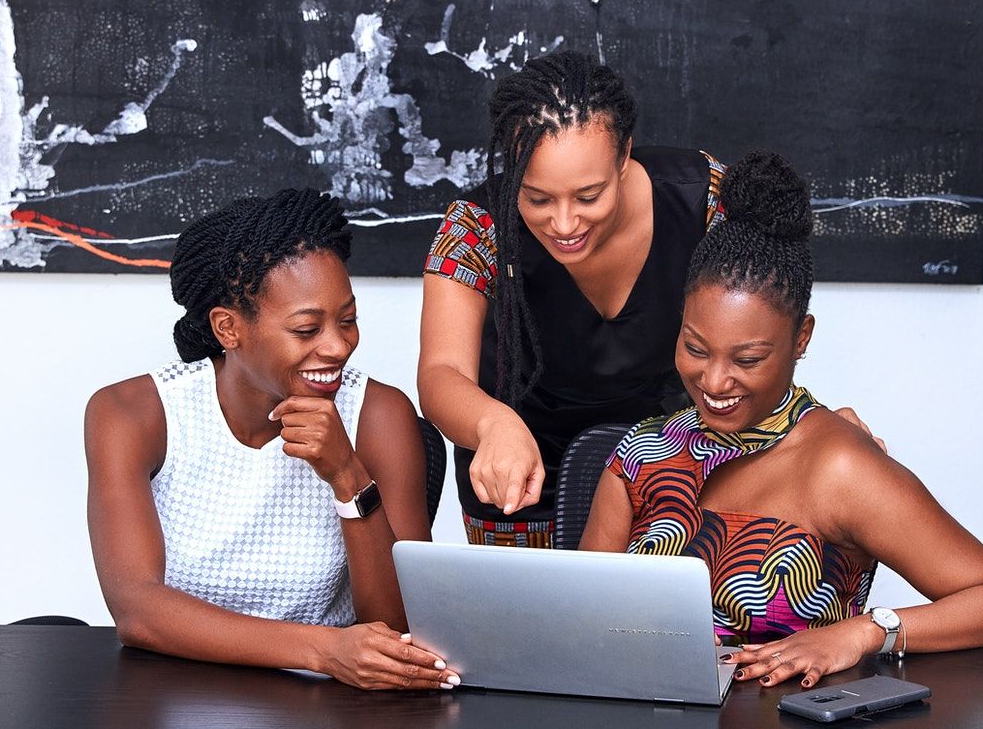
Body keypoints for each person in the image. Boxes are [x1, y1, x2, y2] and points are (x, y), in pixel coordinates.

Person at [580, 151, 983, 689]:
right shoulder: (640, 455)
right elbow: (582, 617)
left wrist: (867, 632)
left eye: (747, 359)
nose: (714, 380)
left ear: (802, 339)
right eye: (695, 348)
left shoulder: (840, 466)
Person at [85, 189, 459, 691]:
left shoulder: (378, 414)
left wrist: (348, 477)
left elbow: (398, 628)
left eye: (347, 320)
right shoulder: (132, 415)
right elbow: (138, 609)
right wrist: (323, 650)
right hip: (171, 692)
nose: (337, 346)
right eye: (307, 329)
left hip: (325, 705)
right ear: (228, 328)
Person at [418, 50, 732, 547]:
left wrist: (803, 423)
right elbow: (439, 376)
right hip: (519, 482)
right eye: (537, 198)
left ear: (624, 155)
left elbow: (759, 333)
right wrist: (493, 423)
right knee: (530, 625)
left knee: (654, 624)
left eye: (588, 196)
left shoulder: (706, 201)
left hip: (668, 470)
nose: (564, 224)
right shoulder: (475, 228)